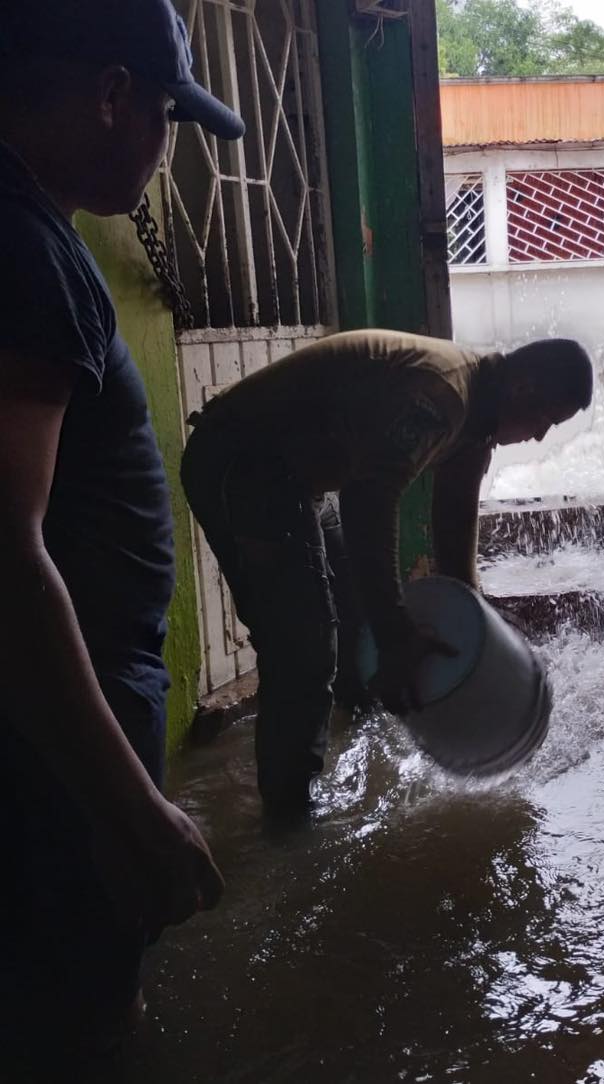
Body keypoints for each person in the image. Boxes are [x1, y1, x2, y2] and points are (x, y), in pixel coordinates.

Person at [0, 0, 245, 1064]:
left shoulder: (28, 227)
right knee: (82, 1027)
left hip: (58, 721)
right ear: (110, 96)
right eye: (163, 116)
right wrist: (129, 806)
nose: (161, 147)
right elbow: (5, 554)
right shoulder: (22, 250)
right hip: (57, 741)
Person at [181, 330, 593, 811]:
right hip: (241, 464)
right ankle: (290, 819)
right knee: (305, 647)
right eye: (544, 420)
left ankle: (354, 759)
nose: (540, 435)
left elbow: (455, 518)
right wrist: (397, 632)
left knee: (360, 626)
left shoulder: (479, 420)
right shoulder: (443, 395)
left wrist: (478, 624)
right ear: (522, 387)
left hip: (299, 477)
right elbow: (369, 501)